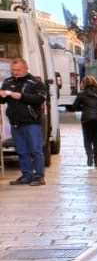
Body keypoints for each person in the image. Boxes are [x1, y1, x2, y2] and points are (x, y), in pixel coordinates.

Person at [2, 57, 48, 186]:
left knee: (36, 150)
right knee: (21, 151)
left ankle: (39, 176)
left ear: (26, 68)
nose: (15, 72)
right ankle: (26, 175)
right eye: (13, 70)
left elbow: (40, 98)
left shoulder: (35, 82)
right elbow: (3, 101)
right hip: (15, 122)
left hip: (31, 122)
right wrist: (2, 95)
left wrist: (22, 96)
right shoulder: (8, 82)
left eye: (18, 70)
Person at [67, 75, 97, 167]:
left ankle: (89, 156)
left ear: (84, 84)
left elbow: (74, 107)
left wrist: (83, 107)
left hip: (87, 119)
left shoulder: (81, 94)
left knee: (87, 139)